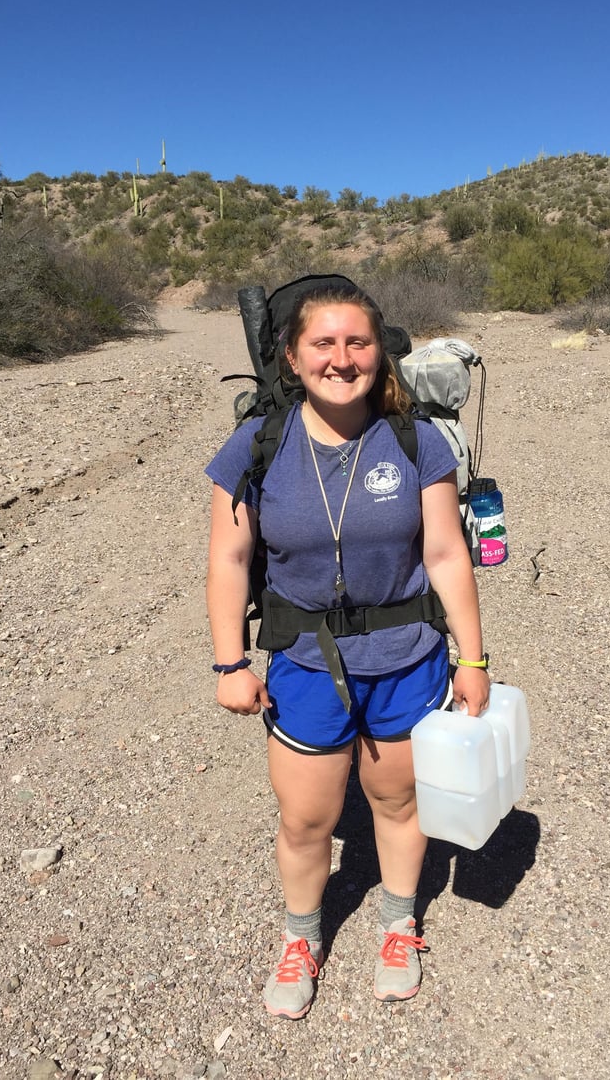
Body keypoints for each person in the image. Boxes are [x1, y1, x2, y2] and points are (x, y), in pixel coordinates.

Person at [205, 282, 489, 1019]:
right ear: (293, 357)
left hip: (408, 658)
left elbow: (446, 552)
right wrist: (230, 662)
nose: (341, 358)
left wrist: (475, 659)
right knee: (306, 820)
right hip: (304, 663)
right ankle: (302, 938)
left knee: (397, 802)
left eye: (356, 342)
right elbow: (228, 560)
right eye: (322, 344)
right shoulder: (256, 445)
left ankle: (399, 921)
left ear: (379, 351)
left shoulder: (415, 440)